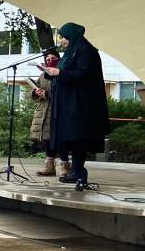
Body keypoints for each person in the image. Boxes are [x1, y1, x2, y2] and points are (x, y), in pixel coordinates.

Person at [39, 22, 109, 188]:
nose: (61, 40)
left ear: (71, 35)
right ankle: (75, 171)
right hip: (69, 103)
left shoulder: (86, 51)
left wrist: (59, 72)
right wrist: (51, 73)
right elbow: (65, 71)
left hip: (81, 104)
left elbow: (83, 74)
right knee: (72, 137)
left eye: (63, 37)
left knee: (79, 137)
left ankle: (78, 172)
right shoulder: (72, 51)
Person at [30, 48, 65, 176]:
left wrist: (47, 94)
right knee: (47, 139)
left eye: (52, 59)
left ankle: (65, 166)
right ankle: (49, 166)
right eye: (47, 59)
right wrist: (35, 92)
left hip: (57, 110)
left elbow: (63, 93)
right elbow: (36, 90)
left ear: (59, 59)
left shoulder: (61, 73)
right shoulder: (42, 75)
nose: (50, 61)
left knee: (60, 139)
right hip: (43, 110)